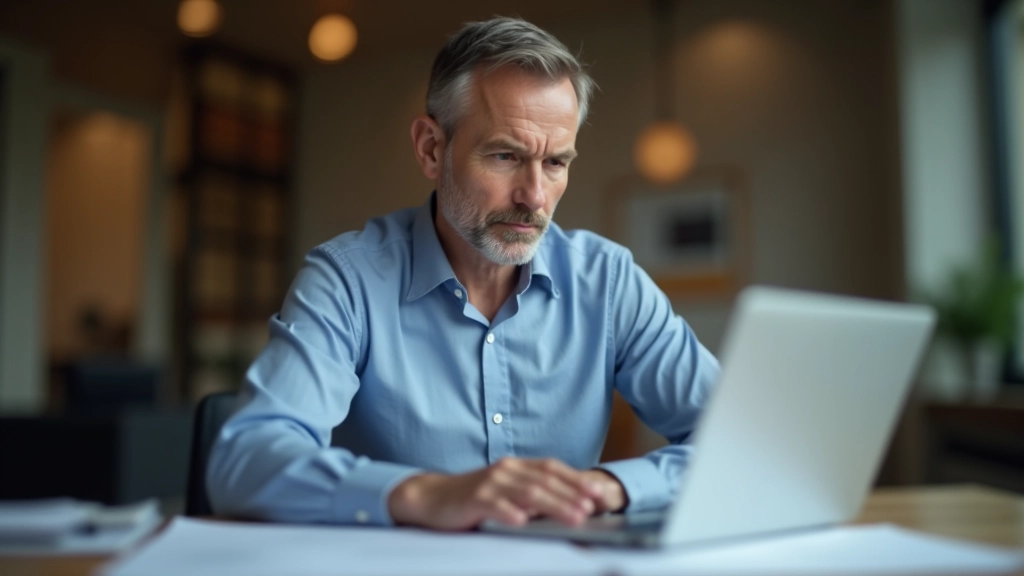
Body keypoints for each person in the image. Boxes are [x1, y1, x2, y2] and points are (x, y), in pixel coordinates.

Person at [207, 17, 719, 531]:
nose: (535, 197)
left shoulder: (608, 283)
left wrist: (613, 487)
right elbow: (246, 463)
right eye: (504, 156)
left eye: (556, 163)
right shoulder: (348, 281)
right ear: (432, 148)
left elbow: (739, 442)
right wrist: (427, 494)